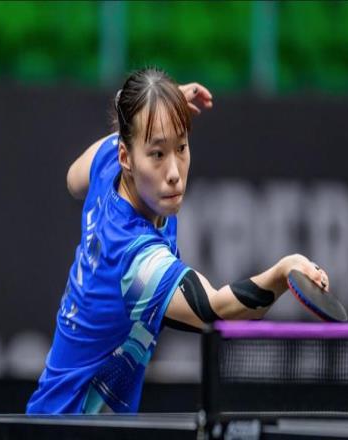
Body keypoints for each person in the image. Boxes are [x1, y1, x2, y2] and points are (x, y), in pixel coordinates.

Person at [26, 67, 329, 414]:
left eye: (181, 147)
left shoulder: (110, 162)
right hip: (66, 427)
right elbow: (216, 312)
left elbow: (73, 179)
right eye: (157, 154)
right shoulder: (134, 258)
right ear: (127, 157)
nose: (174, 173)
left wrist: (154, 113)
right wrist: (282, 272)